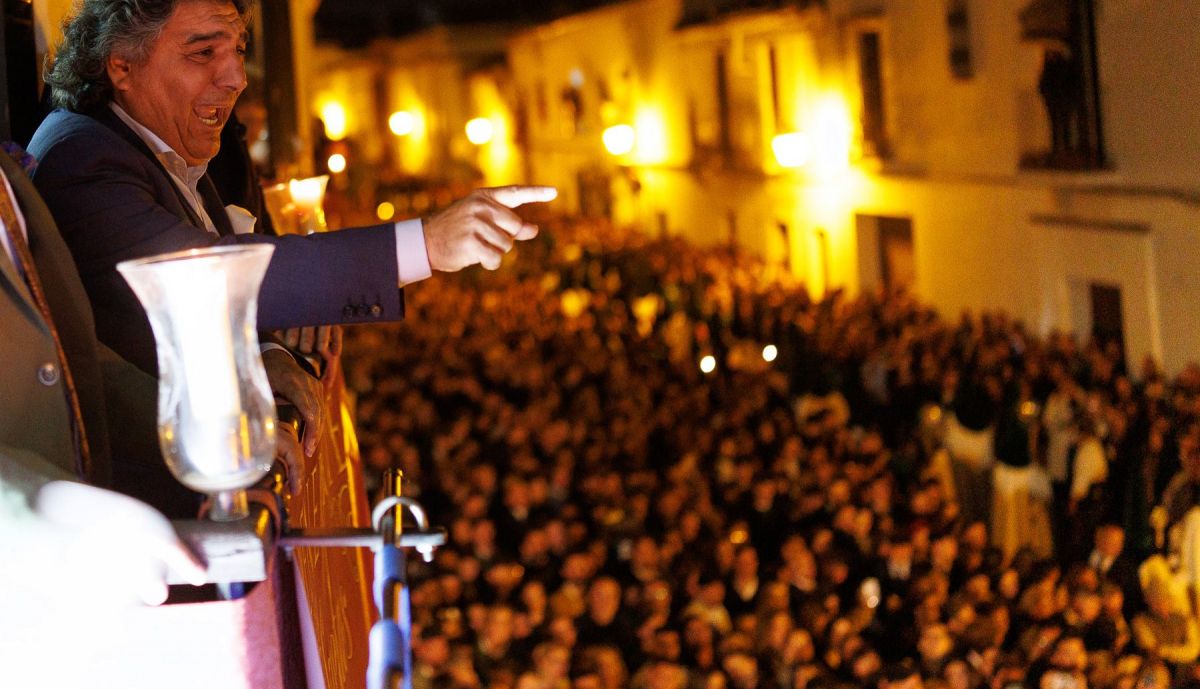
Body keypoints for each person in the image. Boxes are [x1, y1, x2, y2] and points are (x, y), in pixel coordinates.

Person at [27, 0, 557, 377]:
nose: (237, 77)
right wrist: (428, 244)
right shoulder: (82, 157)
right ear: (122, 64)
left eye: (236, 49)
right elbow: (205, 278)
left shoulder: (161, 144)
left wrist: (271, 353)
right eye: (203, 53)